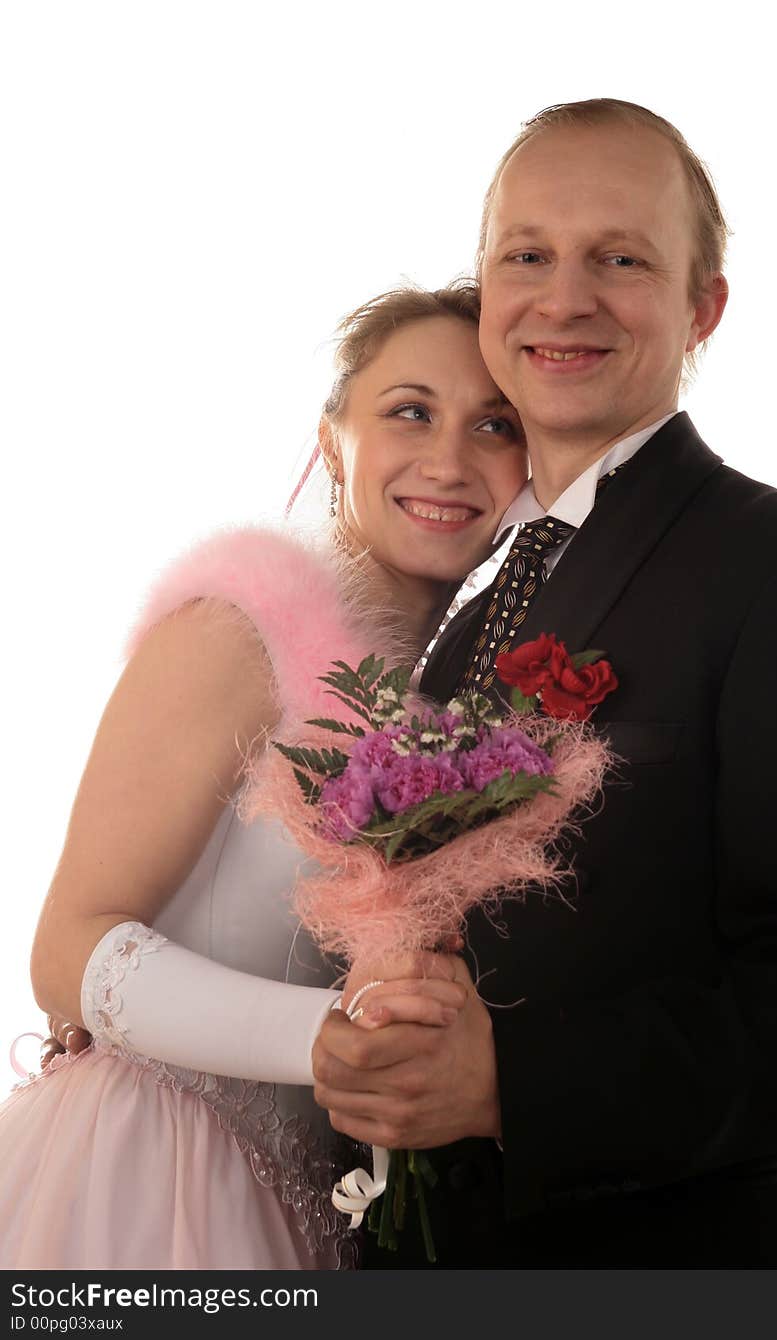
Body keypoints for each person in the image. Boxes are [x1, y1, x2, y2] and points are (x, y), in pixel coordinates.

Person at [312, 100, 777, 1268]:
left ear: (700, 306)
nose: (563, 297)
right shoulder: (472, 601)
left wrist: (511, 1083)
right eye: (528, 256)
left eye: (619, 258)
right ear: (487, 289)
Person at [0, 282, 529, 1270]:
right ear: (333, 442)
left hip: (310, 1214)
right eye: (409, 409)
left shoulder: (464, 725)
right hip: (141, 1183)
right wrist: (324, 1034)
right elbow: (64, 950)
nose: (449, 458)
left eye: (494, 424)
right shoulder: (238, 630)